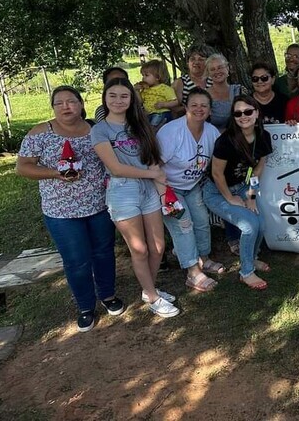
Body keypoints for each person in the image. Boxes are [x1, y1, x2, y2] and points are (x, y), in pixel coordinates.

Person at [16, 86, 124, 332]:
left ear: (81, 103)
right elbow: (23, 167)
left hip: (98, 205)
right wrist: (55, 173)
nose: (66, 107)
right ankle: (86, 306)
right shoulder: (40, 133)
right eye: (60, 103)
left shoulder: (95, 130)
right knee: (76, 261)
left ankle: (107, 295)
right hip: (61, 211)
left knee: (104, 252)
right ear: (53, 107)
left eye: (71, 102)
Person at [90, 77, 179, 318]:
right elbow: (115, 167)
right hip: (123, 190)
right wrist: (150, 173)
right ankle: (152, 296)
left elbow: (151, 157)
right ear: (105, 99)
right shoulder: (100, 130)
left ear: (131, 99)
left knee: (158, 246)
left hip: (149, 188)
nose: (118, 101)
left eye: (124, 96)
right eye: (113, 96)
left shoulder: (140, 125)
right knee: (139, 249)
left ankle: (148, 288)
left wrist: (161, 188)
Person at [156, 87, 223, 293]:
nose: (199, 109)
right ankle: (192, 272)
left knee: (202, 221)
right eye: (194, 105)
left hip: (191, 185)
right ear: (185, 107)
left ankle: (203, 258)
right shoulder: (171, 132)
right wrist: (164, 197)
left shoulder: (211, 132)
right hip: (167, 186)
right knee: (183, 224)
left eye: (204, 105)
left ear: (210, 110)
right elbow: (154, 165)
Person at [203, 95, 273, 290]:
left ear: (257, 113)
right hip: (216, 192)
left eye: (248, 111)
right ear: (233, 117)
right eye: (238, 113)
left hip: (242, 187)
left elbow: (259, 167)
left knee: (259, 222)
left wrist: (250, 196)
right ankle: (246, 272)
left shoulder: (263, 137)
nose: (243, 116)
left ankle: (252, 258)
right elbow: (217, 174)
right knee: (249, 226)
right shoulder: (226, 141)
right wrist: (229, 198)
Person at [205, 53, 247, 131]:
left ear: (227, 68)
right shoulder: (204, 96)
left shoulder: (239, 91)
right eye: (212, 69)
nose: (217, 71)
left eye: (220, 67)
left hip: (239, 138)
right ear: (208, 73)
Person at [172, 44, 213, 115]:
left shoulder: (213, 80)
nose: (196, 62)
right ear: (187, 63)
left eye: (201, 59)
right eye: (192, 59)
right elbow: (174, 109)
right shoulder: (180, 82)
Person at [137, 59, 178, 128]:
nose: (143, 78)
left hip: (161, 113)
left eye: (146, 75)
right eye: (142, 75)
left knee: (153, 126)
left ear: (157, 77)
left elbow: (175, 101)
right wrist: (137, 91)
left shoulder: (164, 88)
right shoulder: (145, 90)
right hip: (149, 114)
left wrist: (164, 104)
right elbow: (140, 101)